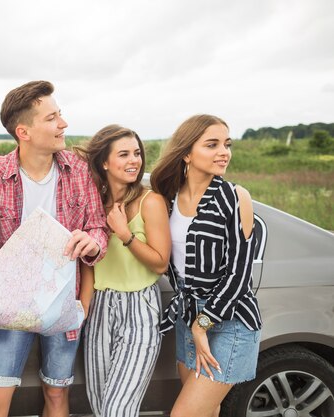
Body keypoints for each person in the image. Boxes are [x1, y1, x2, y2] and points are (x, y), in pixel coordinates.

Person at [0, 80, 109, 417]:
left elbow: (98, 228)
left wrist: (92, 242)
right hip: (9, 304)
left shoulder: (79, 171)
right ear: (24, 131)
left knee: (57, 396)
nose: (63, 124)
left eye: (60, 115)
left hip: (62, 301)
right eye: (52, 118)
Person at [150, 114, 262, 417]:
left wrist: (204, 324)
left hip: (229, 322)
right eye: (212, 144)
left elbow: (239, 275)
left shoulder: (235, 197)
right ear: (186, 152)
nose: (223, 152)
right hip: (188, 315)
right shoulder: (168, 197)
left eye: (227, 144)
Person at [75, 125, 171, 417]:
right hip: (101, 307)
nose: (134, 160)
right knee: (100, 403)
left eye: (137, 153)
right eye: (124, 154)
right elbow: (88, 265)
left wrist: (124, 234)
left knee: (118, 409)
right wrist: (83, 310)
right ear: (104, 162)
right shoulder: (92, 204)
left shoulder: (150, 201)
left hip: (139, 307)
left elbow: (160, 262)